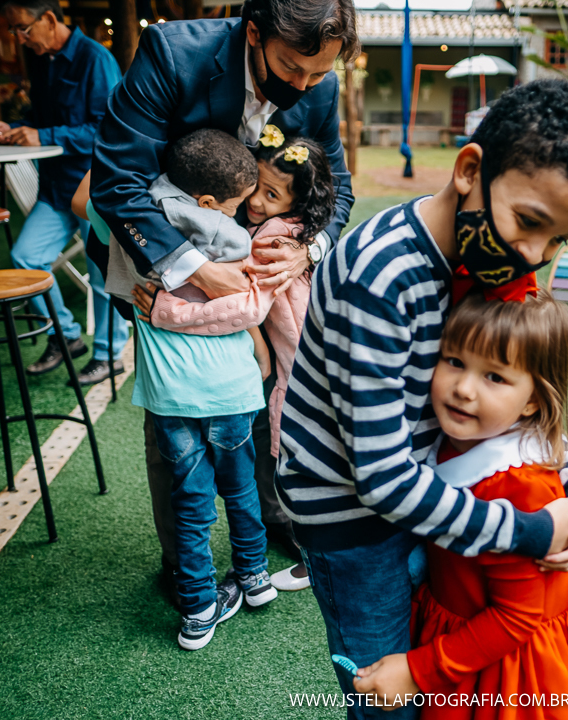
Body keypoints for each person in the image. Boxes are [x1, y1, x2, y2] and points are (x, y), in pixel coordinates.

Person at [276, 79, 568, 719]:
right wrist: (528, 532)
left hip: (433, 495)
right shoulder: (380, 277)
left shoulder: (489, 258)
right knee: (388, 698)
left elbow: (524, 396)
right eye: (530, 223)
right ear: (469, 171)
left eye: (558, 240)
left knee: (437, 677)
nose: (535, 257)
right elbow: (381, 479)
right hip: (356, 526)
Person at [89, 0, 360, 592]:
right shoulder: (172, 54)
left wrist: (308, 250)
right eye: (292, 68)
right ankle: (186, 566)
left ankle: (271, 520)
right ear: (254, 33)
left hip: (262, 276)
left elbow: (337, 189)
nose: (304, 86)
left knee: (267, 386)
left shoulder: (319, 85)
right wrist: (197, 270)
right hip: (163, 262)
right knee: (180, 405)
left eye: (318, 74)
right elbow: (116, 180)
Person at [354, 287, 568, 719]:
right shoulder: (458, 435)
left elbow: (516, 617)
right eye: (454, 361)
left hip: (509, 666)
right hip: (468, 628)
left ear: (533, 400)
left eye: (494, 376)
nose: (463, 389)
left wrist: (420, 671)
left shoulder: (517, 487)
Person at [119, 129, 283, 650]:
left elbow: (90, 199)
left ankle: (197, 607)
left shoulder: (139, 245)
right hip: (233, 390)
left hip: (172, 398)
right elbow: (249, 310)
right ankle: (254, 576)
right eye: (234, 206)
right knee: (241, 491)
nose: (240, 214)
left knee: (191, 506)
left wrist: (165, 311)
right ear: (209, 204)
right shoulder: (238, 256)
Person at [0, 0, 128, 385]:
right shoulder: (39, 59)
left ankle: (108, 355)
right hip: (54, 188)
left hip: (92, 187)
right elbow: (42, 119)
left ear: (49, 19)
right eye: (13, 30)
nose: (19, 38)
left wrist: (43, 135)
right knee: (25, 257)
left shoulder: (95, 59)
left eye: (22, 28)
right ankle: (65, 334)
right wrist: (16, 128)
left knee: (102, 275)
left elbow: (107, 128)